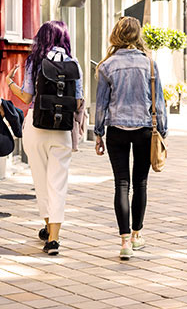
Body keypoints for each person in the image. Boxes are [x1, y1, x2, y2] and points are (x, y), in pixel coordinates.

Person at [5, 20, 83, 255]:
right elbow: (78, 102)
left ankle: (48, 226)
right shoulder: (73, 62)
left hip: (37, 128)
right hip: (62, 131)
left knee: (41, 180)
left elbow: (27, 98)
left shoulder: (35, 61)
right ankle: (54, 239)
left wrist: (10, 83)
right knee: (58, 182)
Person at [94, 17, 168, 260]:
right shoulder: (149, 64)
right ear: (137, 36)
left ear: (116, 34)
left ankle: (124, 242)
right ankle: (137, 236)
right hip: (145, 129)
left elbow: (102, 104)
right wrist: (163, 131)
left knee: (121, 185)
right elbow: (159, 101)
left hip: (116, 130)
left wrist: (98, 133)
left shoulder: (107, 66)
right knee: (141, 184)